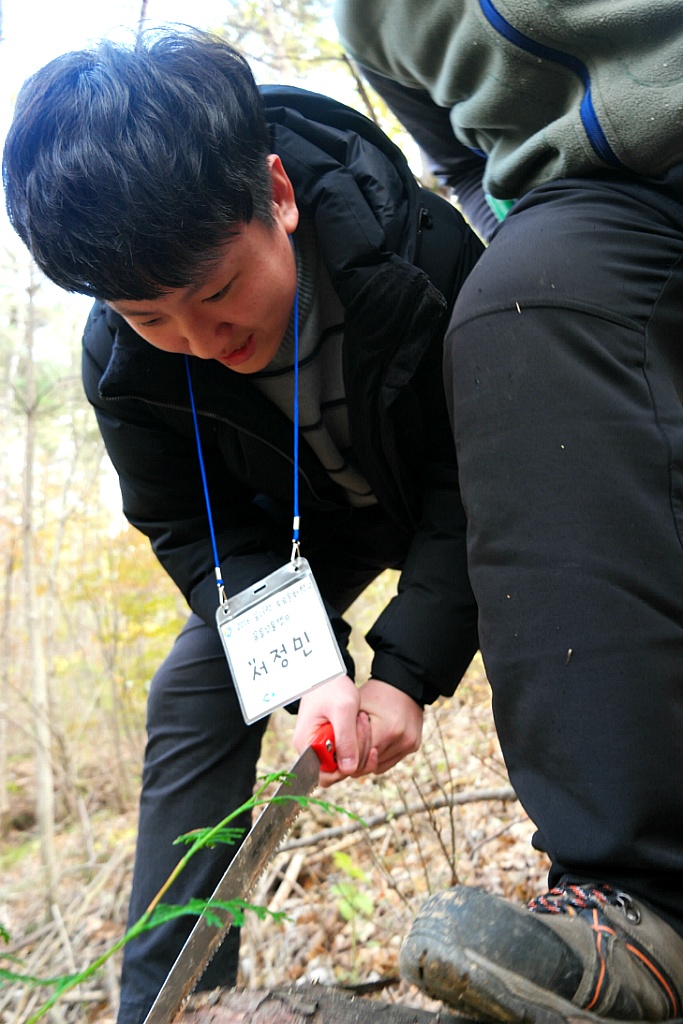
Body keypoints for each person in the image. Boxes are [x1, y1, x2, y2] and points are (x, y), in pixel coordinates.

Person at [2, 28, 485, 1024]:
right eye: (150, 317)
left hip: (451, 480)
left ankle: (607, 892)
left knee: (548, 601)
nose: (199, 340)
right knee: (192, 683)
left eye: (217, 291)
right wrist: (305, 666)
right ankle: (170, 1003)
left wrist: (403, 669)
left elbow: (474, 477)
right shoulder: (124, 369)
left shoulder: (421, 252)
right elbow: (194, 527)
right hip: (312, 522)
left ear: (275, 192)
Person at [331, 1, 683, 1022]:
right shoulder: (364, 19)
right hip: (601, 209)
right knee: (514, 304)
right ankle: (643, 902)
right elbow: (464, 162)